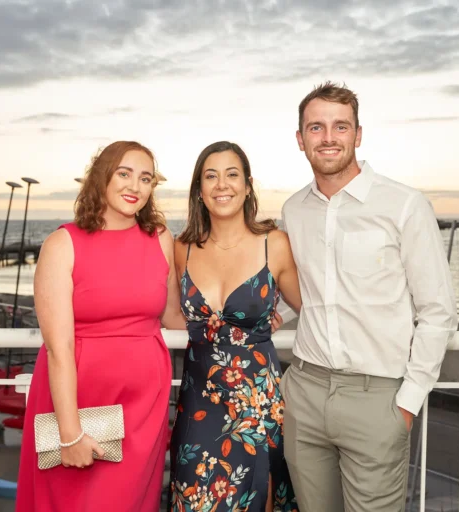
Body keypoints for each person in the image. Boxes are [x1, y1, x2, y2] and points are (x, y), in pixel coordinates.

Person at [280, 82, 458, 512]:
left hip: (377, 398)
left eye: (340, 126)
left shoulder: (404, 205)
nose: (328, 137)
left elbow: (439, 312)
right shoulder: (293, 210)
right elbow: (300, 289)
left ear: (357, 135)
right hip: (304, 391)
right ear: (300, 139)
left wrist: (407, 402)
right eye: (316, 127)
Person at [16, 141, 185, 511]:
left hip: (143, 407)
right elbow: (58, 349)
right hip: (77, 404)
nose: (135, 186)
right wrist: (69, 432)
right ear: (101, 177)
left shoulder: (159, 238)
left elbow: (174, 315)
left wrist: (239, 319)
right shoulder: (62, 244)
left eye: (145, 178)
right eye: (124, 173)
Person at [167, 141, 302, 512]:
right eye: (210, 176)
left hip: (259, 404)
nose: (221, 184)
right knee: (195, 499)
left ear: (247, 185)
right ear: (199, 189)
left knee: (259, 499)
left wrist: (272, 317)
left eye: (231, 175)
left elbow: (312, 306)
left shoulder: (273, 244)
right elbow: (169, 316)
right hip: (199, 403)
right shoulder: (183, 248)